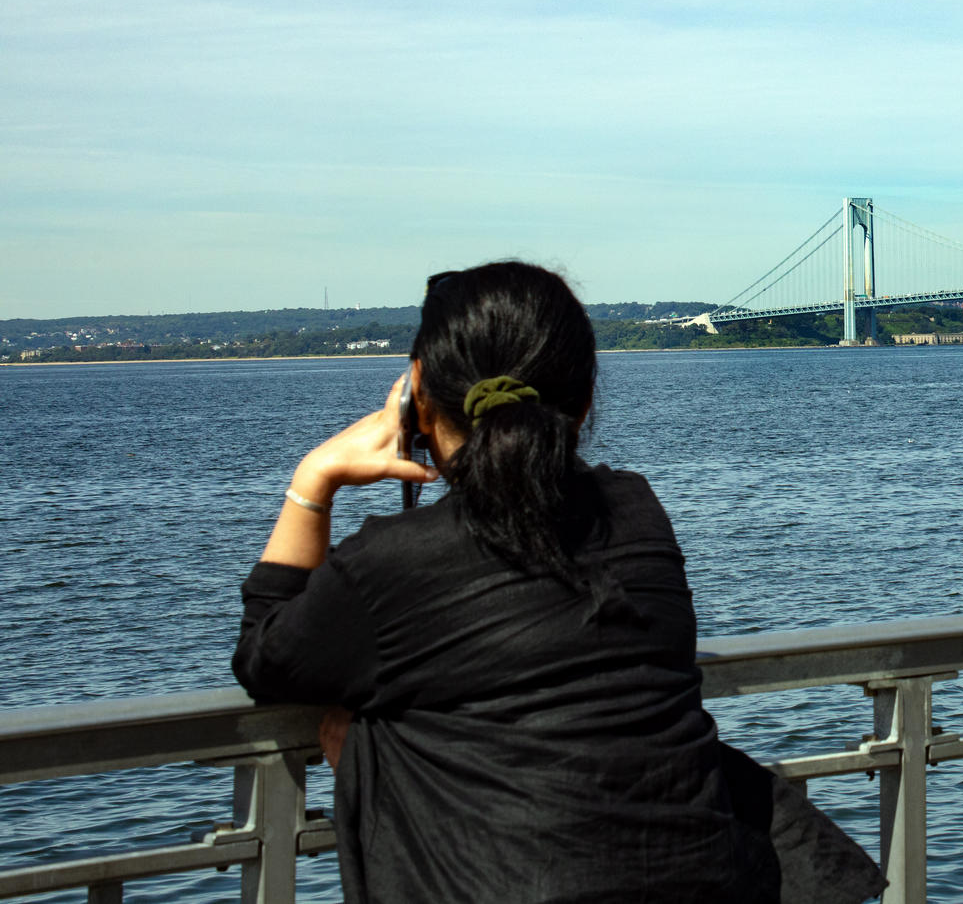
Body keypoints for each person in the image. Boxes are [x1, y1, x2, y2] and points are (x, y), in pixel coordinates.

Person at [233, 261, 879, 904]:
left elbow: (267, 657)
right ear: (585, 402)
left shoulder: (391, 562)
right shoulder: (636, 512)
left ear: (417, 400)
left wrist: (313, 479)